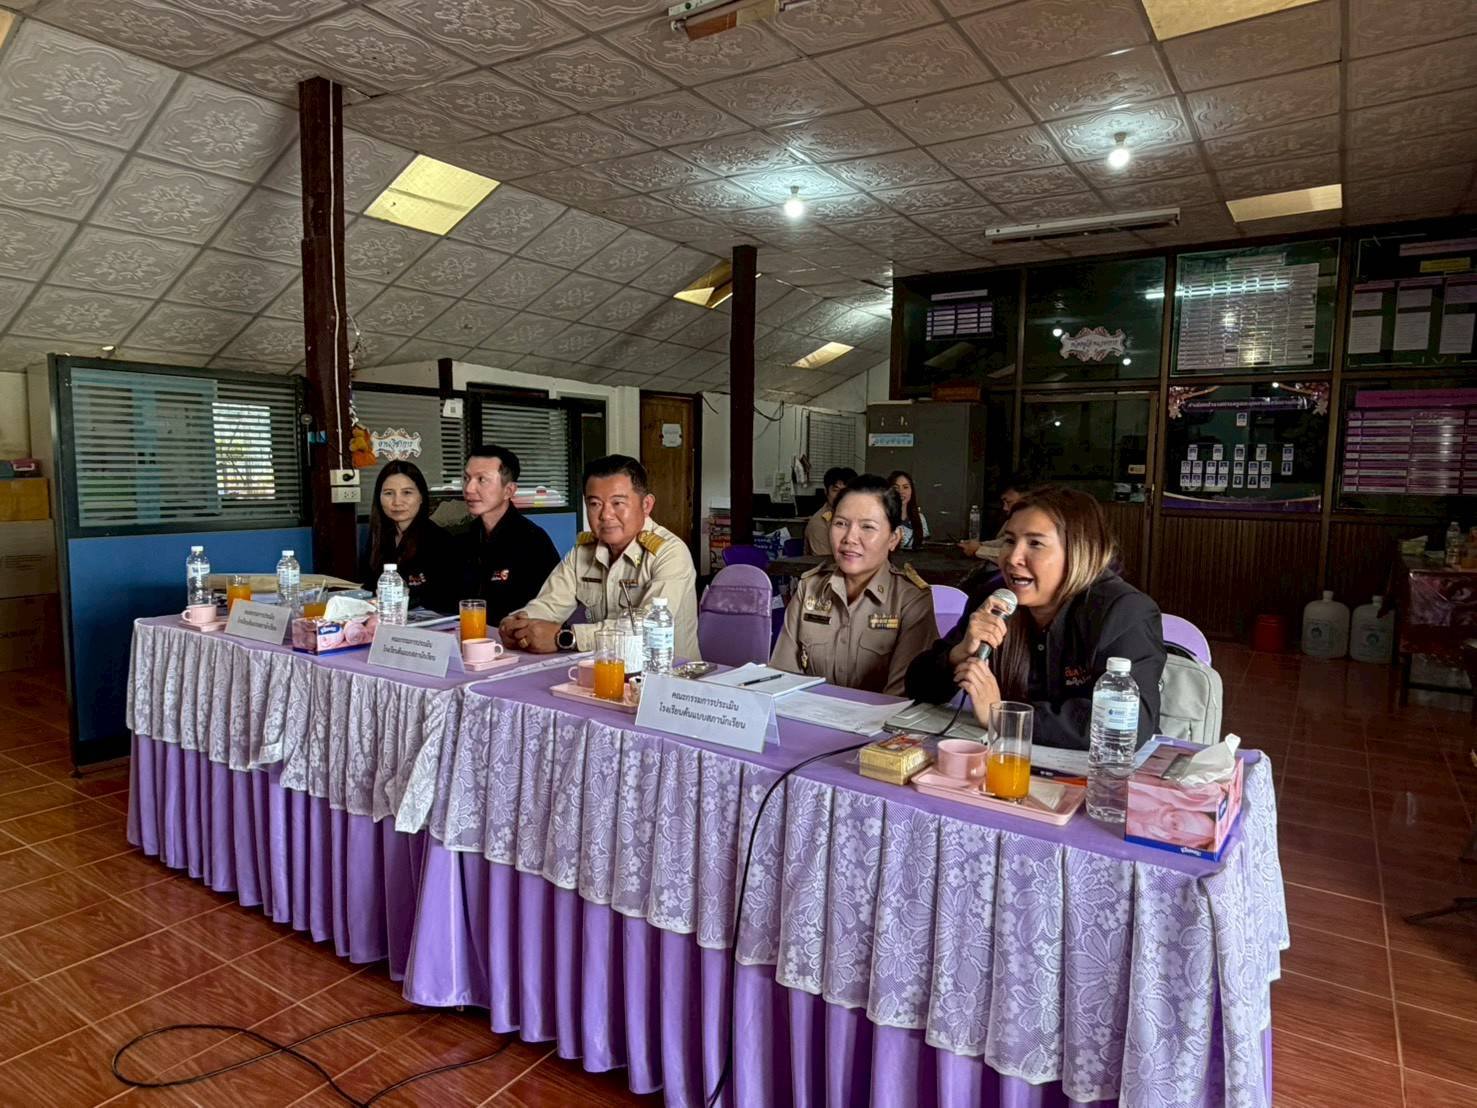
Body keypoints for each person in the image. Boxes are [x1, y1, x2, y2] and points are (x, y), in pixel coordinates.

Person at [905, 486, 1164, 750]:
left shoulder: (1123, 611)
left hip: (1100, 769)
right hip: (1005, 759)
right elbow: (917, 687)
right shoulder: (994, 599)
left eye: (1035, 543)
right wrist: (960, 652)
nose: (1013, 558)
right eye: (1009, 541)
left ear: (1079, 552)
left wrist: (1004, 716)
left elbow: (1127, 722)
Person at [499, 454, 701, 659]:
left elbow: (648, 630)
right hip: (603, 668)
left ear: (646, 505)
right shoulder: (583, 551)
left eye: (618, 503)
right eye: (595, 504)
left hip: (667, 673)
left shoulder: (670, 553)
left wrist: (568, 637)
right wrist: (518, 624)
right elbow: (549, 605)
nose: (605, 515)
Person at [772, 475, 935, 696]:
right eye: (841, 523)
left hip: (880, 718)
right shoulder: (809, 588)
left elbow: (898, 701)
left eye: (867, 527)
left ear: (893, 538)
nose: (850, 538)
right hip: (806, 715)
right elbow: (781, 680)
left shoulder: (911, 600)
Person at [458, 445, 561, 623]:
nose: (469, 489)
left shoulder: (532, 541)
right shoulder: (463, 537)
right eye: (467, 478)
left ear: (509, 490)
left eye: (482, 480)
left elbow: (549, 609)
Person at [362, 461, 457, 613]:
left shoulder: (440, 541)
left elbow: (444, 600)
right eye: (388, 493)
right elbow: (368, 586)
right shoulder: (378, 536)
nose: (397, 502)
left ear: (421, 497)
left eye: (407, 492)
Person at [960, 470, 1033, 560]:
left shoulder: (1037, 524)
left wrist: (979, 549)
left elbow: (1017, 555)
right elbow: (1003, 542)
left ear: (1027, 496)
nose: (1005, 508)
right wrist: (978, 545)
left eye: (1008, 502)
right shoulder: (1015, 519)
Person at [803, 466, 857, 555]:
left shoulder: (859, 516)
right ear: (826, 492)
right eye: (836, 490)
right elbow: (826, 560)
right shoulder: (819, 523)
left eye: (846, 491)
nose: (841, 496)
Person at [889, 470, 929, 550]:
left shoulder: (920, 518)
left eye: (905, 487)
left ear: (912, 491)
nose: (901, 492)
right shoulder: (882, 517)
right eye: (896, 488)